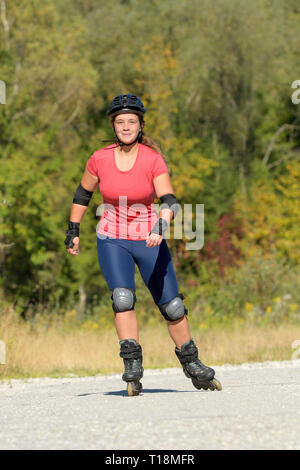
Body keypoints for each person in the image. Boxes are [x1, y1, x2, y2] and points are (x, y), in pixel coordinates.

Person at [64, 94, 221, 395]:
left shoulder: (152, 159)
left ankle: (192, 363)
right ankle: (132, 364)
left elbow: (170, 201)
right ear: (113, 125)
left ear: (140, 125)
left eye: (131, 121)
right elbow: (83, 194)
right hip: (112, 238)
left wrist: (160, 227)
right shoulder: (99, 158)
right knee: (122, 297)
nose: (126, 126)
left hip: (149, 238)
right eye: (120, 121)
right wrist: (73, 229)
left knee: (172, 306)